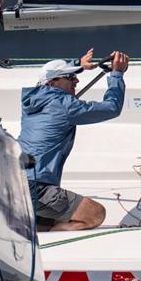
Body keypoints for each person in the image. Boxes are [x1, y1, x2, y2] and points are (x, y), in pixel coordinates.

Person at [19, 48, 130, 231]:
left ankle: (43, 229)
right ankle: (50, 236)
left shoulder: (33, 101)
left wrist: (78, 66)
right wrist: (117, 74)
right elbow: (111, 108)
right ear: (54, 82)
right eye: (71, 78)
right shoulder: (64, 105)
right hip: (36, 188)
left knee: (47, 222)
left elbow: (51, 75)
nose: (77, 81)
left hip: (16, 183)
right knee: (95, 214)